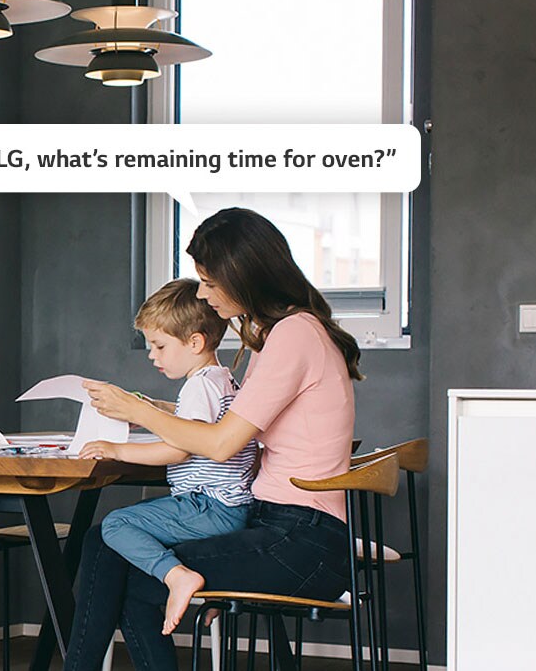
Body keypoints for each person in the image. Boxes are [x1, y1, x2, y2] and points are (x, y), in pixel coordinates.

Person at [63, 207, 362, 670]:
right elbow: (225, 427)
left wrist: (138, 410)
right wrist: (149, 410)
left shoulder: (293, 336)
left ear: (243, 276)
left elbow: (221, 443)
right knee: (110, 547)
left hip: (300, 541)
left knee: (116, 557)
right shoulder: (284, 334)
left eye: (208, 281)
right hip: (284, 527)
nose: (202, 293)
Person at [76, 278, 258, 615]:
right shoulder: (220, 379)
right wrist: (152, 412)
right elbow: (191, 424)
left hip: (209, 508)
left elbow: (179, 449)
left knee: (115, 526)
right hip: (232, 507)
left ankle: (177, 577)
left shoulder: (198, 387)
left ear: (194, 342)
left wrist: (115, 450)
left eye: (159, 345)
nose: (151, 355)